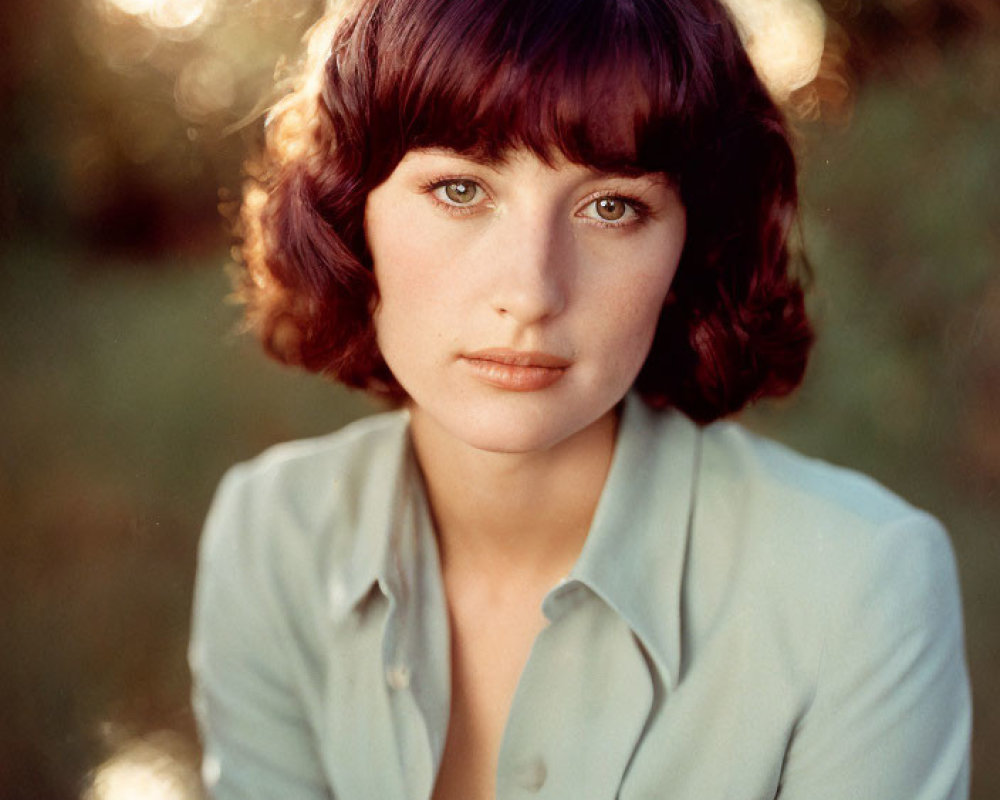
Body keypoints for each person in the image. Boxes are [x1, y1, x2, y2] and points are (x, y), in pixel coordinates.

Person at [189, 0, 972, 797]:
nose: (531, 291)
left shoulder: (862, 589)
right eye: (460, 189)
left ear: (690, 251)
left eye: (612, 207)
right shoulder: (269, 538)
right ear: (351, 216)